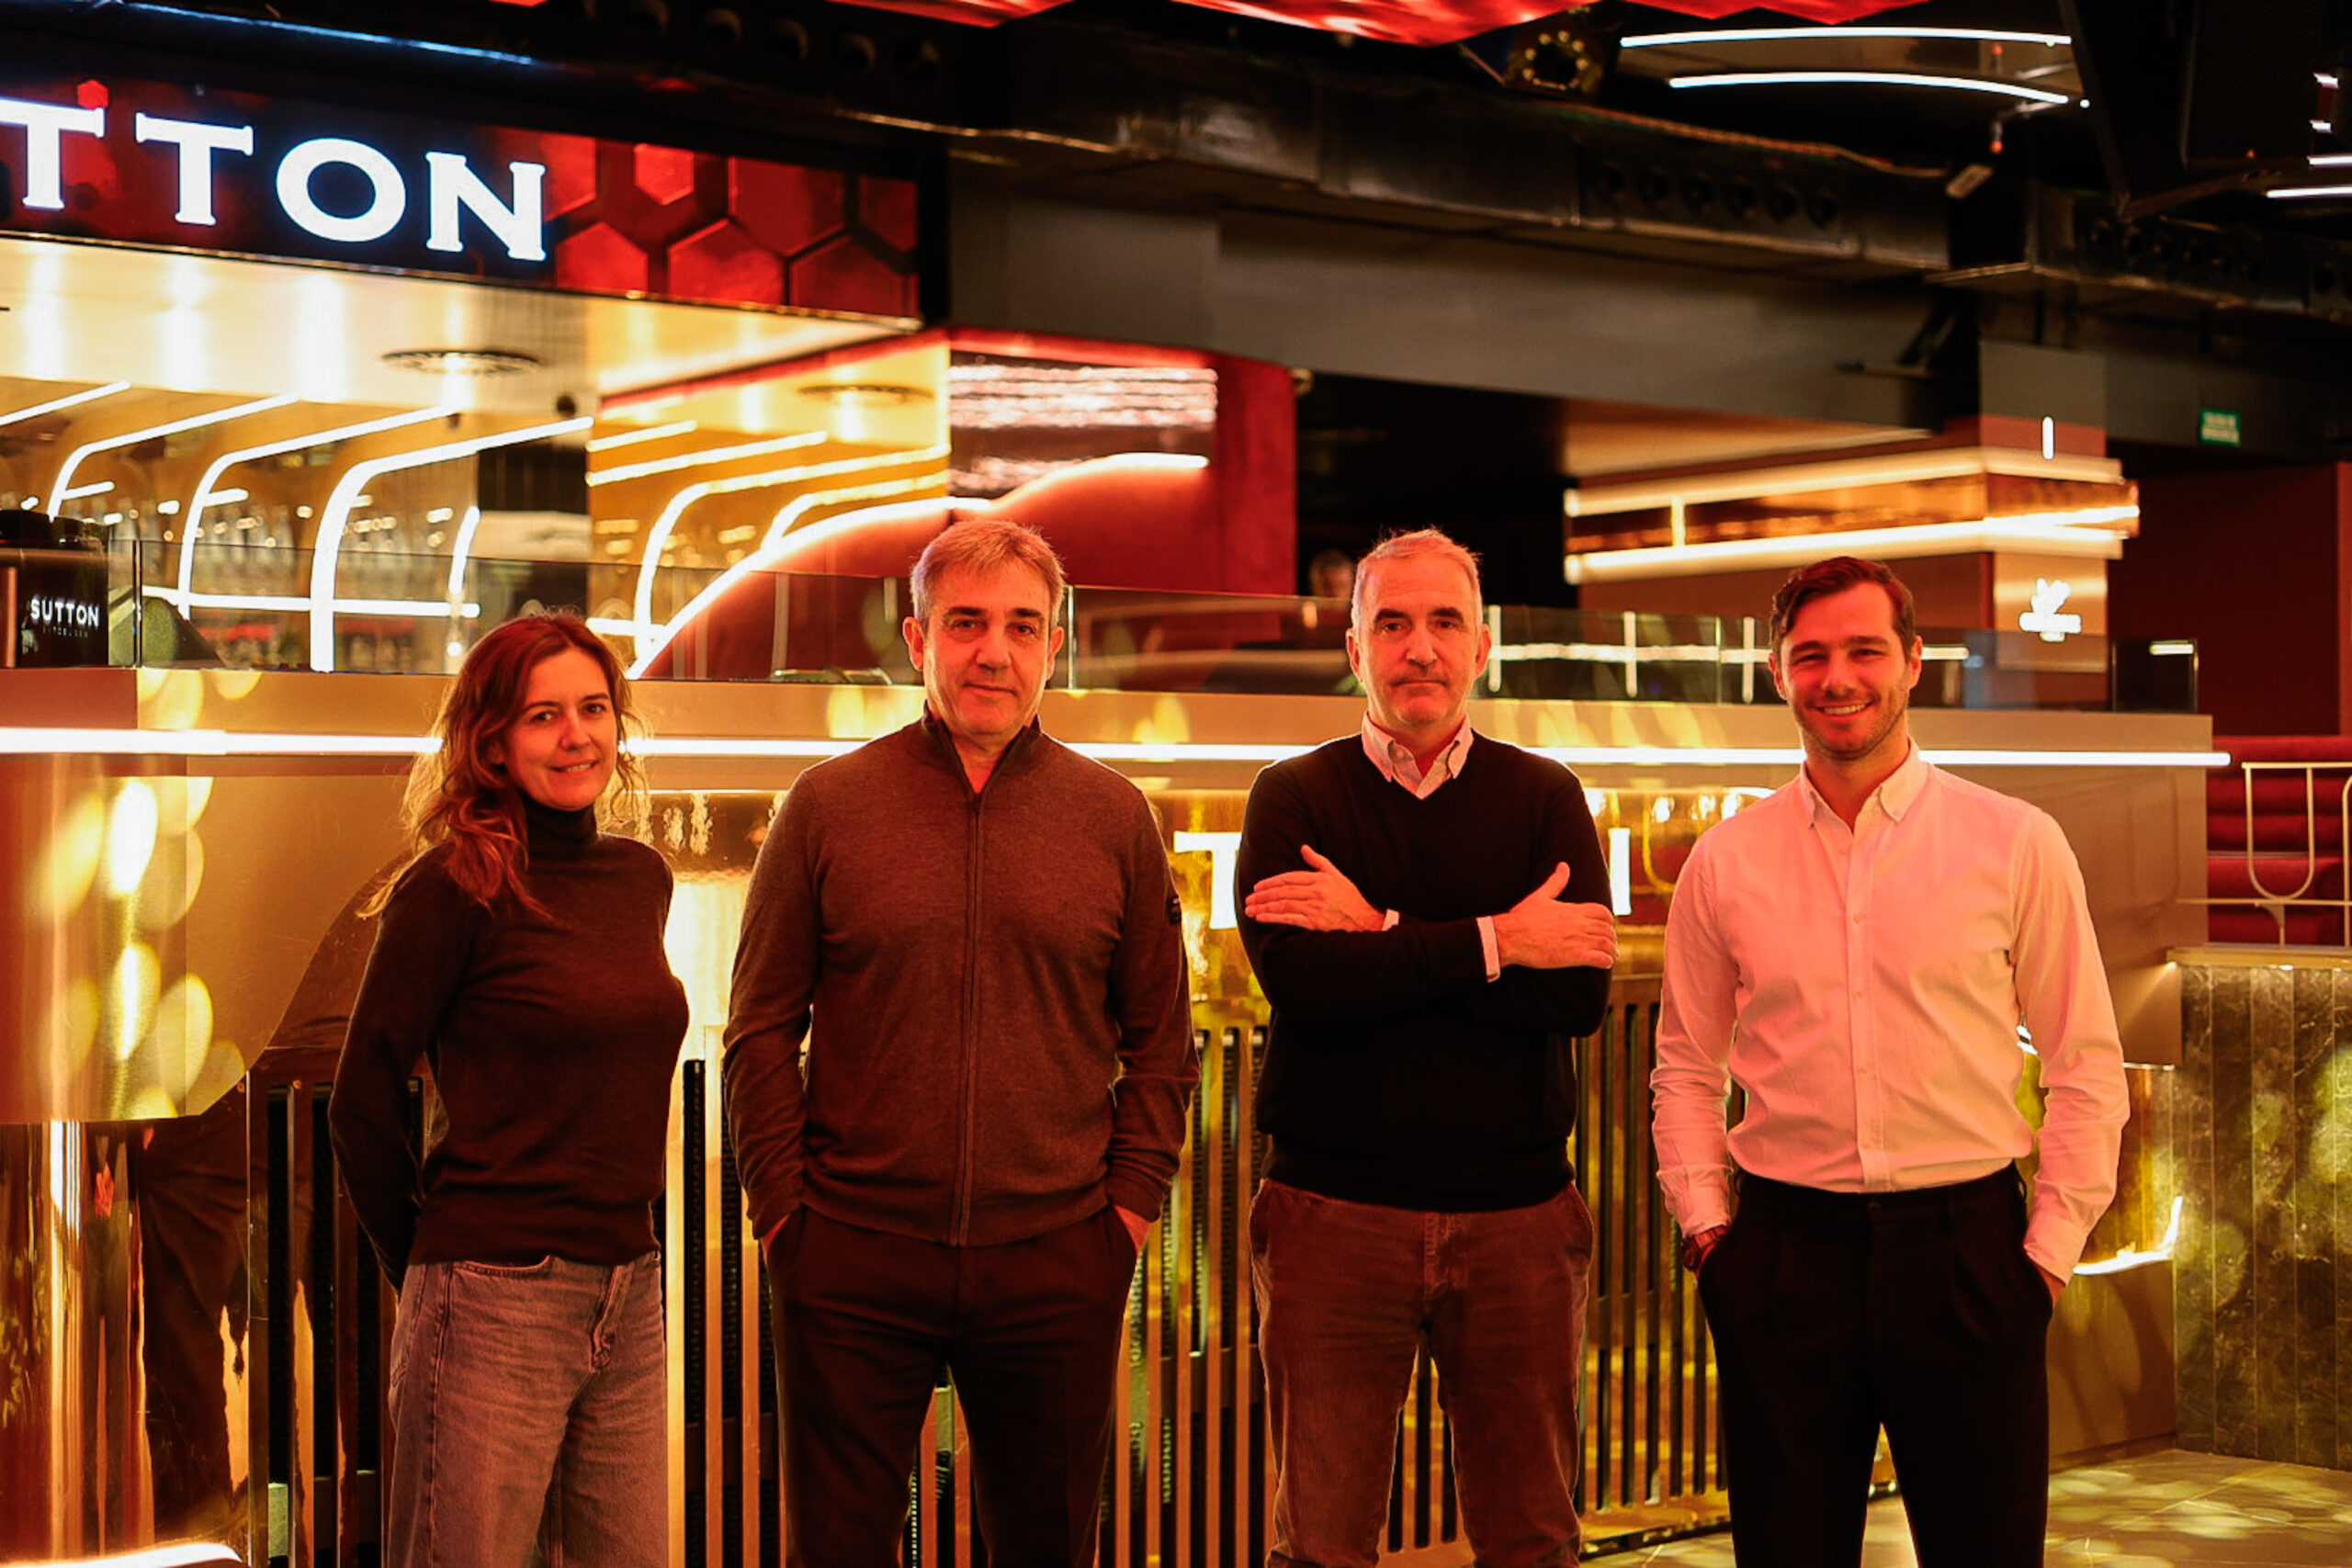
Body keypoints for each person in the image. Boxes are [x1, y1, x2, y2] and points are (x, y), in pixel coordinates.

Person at [724, 518, 1197, 1568]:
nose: (995, 651)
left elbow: (1163, 1043)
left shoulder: (1112, 818)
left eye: (1022, 626)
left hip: (1057, 1257)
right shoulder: (827, 807)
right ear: (916, 638)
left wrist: (1120, 1220)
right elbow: (759, 1027)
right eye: (967, 623)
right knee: (838, 1551)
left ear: (1054, 645)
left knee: (1043, 1547)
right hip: (851, 1254)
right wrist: (785, 1220)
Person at [1650, 556, 2130, 1568]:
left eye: (1864, 650)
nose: (1838, 677)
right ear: (1778, 674)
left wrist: (2044, 1255)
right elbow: (1685, 1069)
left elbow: (2086, 1061)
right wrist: (1709, 1236)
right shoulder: (1726, 861)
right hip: (1782, 1258)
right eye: (1810, 655)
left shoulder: (2013, 842)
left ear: (1913, 661)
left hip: (1967, 1255)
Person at [1235, 528, 1617, 1568]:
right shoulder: (1293, 799)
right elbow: (1306, 986)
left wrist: (1384, 935)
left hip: (1521, 1224)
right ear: (1353, 649)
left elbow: (1577, 993)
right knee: (1319, 1543)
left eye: (1443, 622)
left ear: (1481, 647)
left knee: (1532, 1537)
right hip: (1332, 1220)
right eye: (1391, 624)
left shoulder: (1544, 797)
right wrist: (1499, 942)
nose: (1419, 648)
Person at [329, 613, 687, 1568]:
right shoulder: (451, 886)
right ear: (492, 739)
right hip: (492, 1294)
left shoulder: (639, 878)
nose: (577, 736)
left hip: (629, 1285)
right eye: (543, 716)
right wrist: (435, 1272)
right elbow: (359, 1098)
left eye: (594, 709)